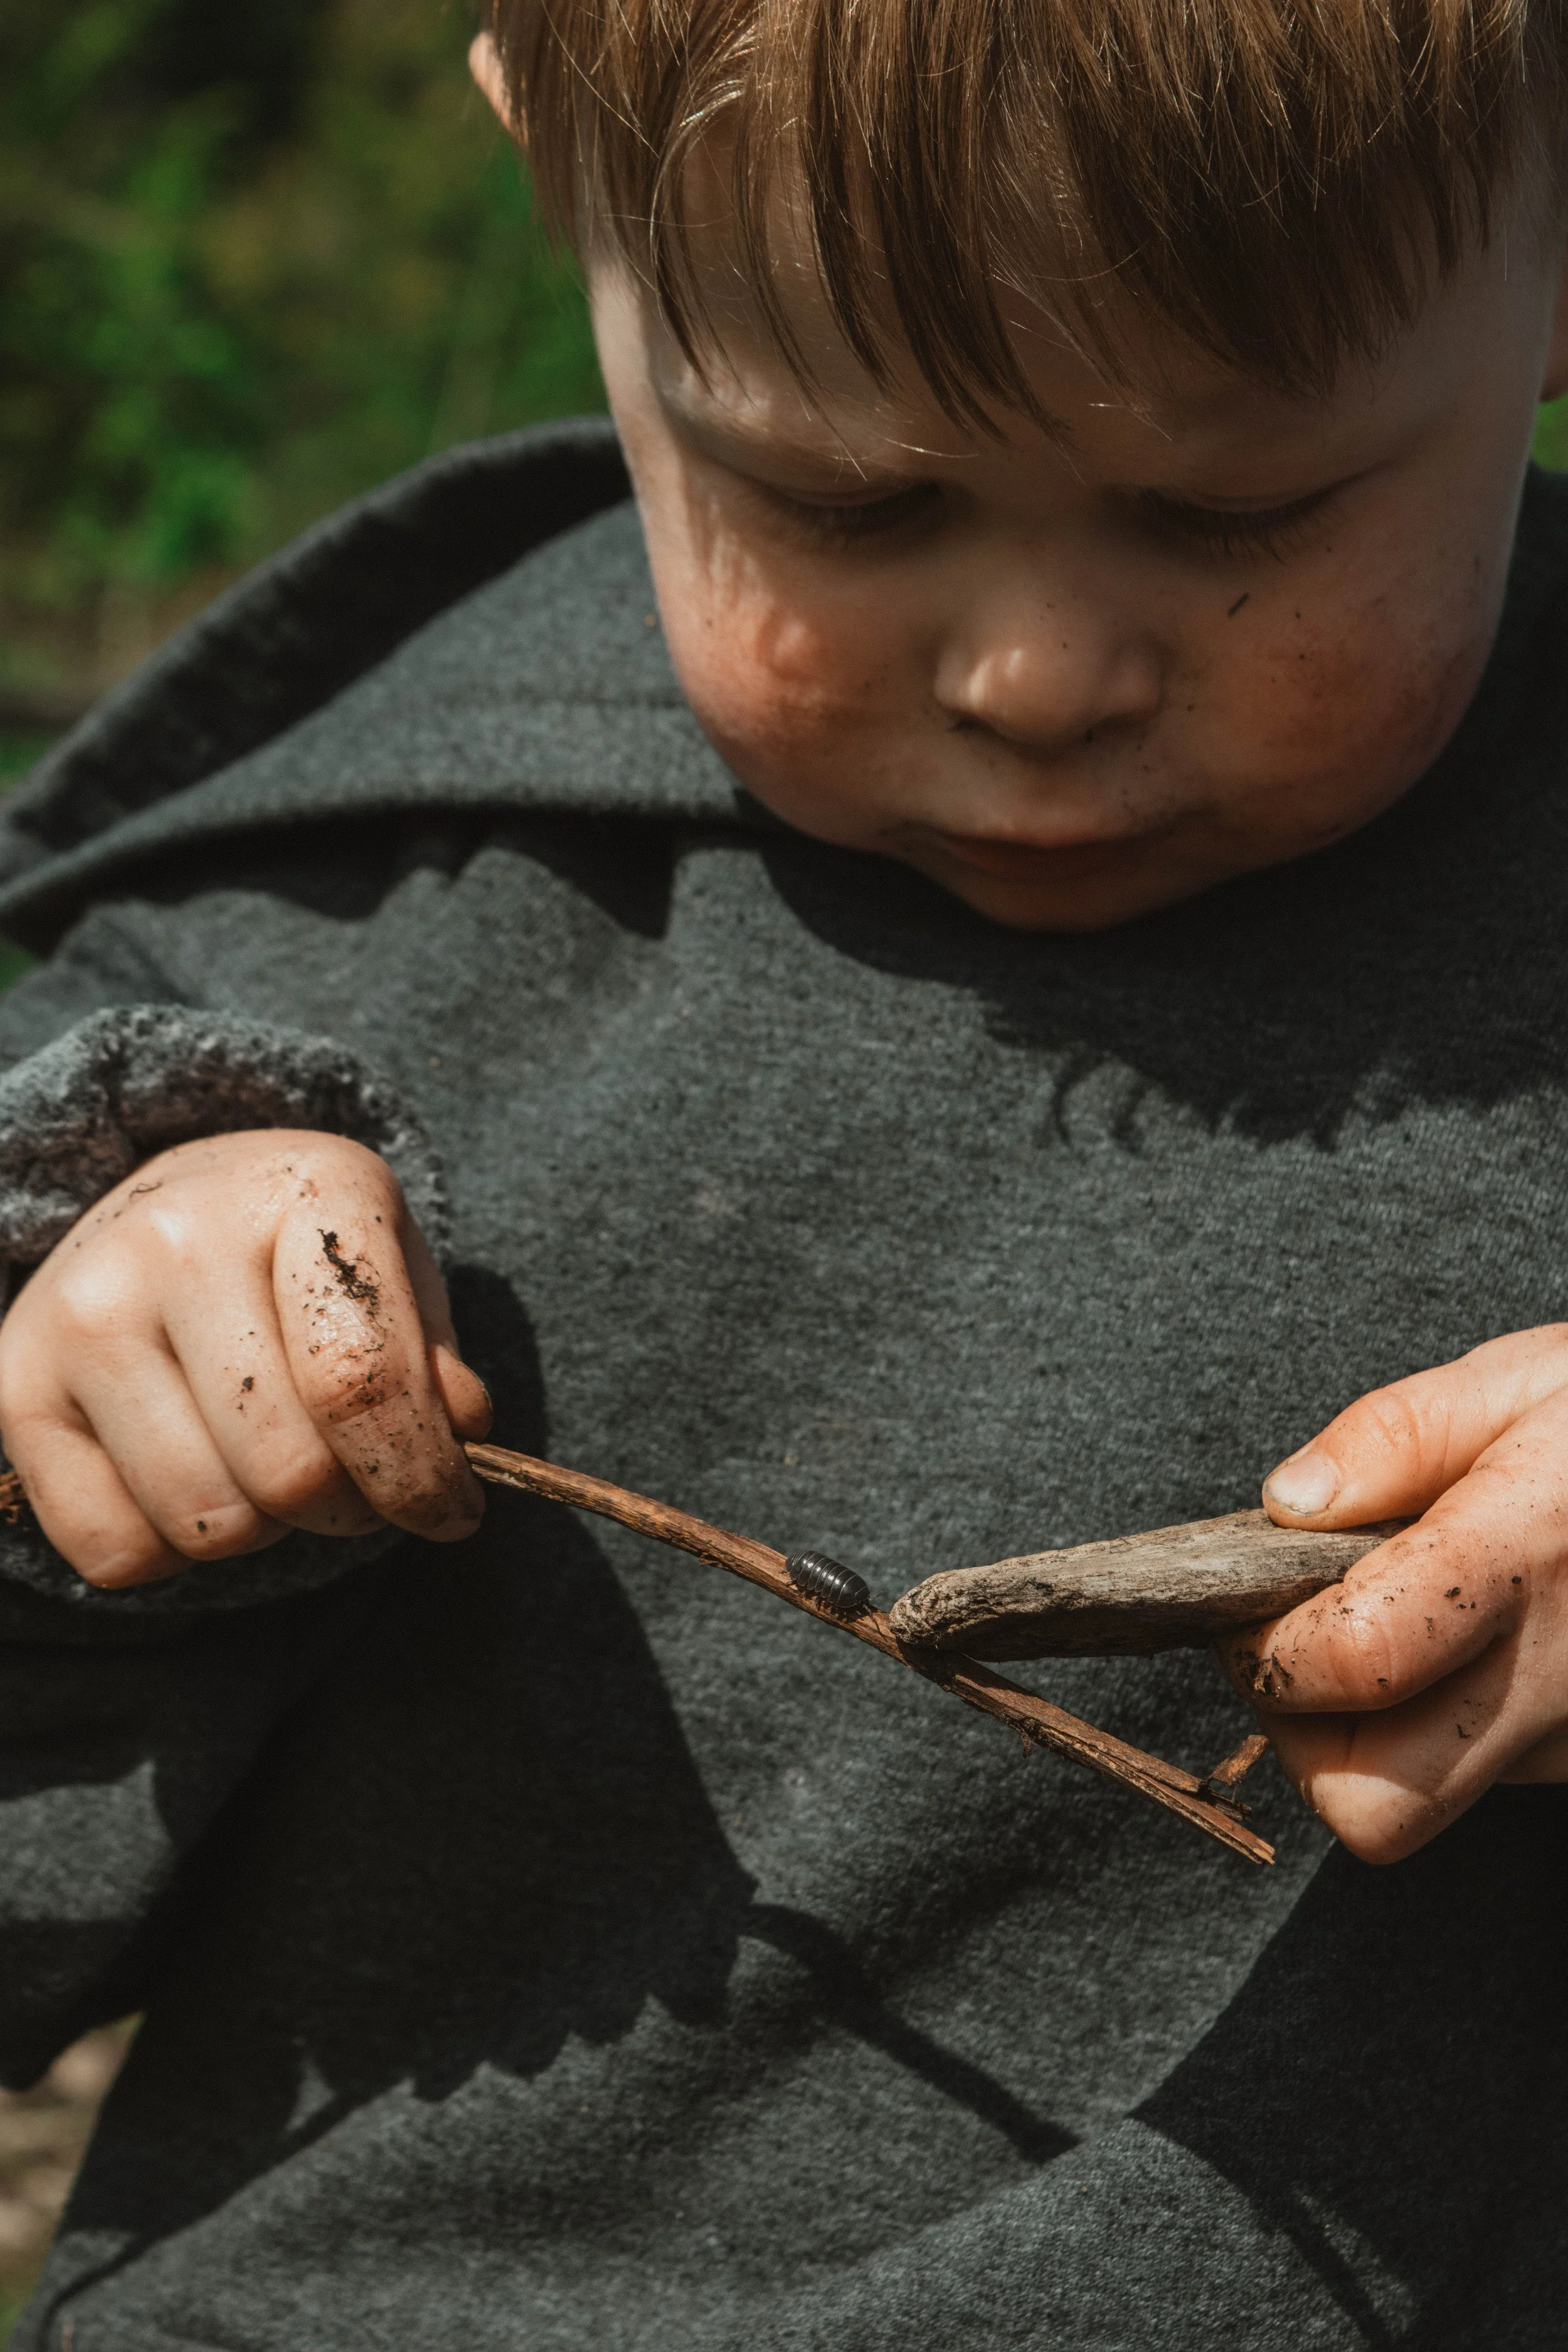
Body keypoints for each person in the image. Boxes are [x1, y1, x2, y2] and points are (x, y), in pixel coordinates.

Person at [1, 0, 1566, 2339]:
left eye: (1234, 511)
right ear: (567, 181)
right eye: (846, 502)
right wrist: (67, 1391)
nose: (1037, 671)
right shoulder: (332, 928)